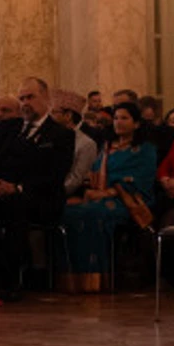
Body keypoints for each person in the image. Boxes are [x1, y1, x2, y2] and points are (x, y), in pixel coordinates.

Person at [0, 77, 77, 296]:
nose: (25, 103)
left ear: (46, 98)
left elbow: (54, 175)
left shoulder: (61, 135)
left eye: (30, 97)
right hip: (5, 193)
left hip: (41, 198)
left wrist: (17, 187)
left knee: (14, 208)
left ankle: (10, 281)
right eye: (21, 99)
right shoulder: (10, 129)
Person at [58, 102, 158, 290]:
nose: (118, 122)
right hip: (99, 196)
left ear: (136, 123)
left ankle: (97, 278)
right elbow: (94, 174)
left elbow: (141, 180)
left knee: (93, 213)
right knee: (68, 211)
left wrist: (109, 192)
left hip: (129, 201)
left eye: (124, 118)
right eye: (116, 118)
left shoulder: (145, 150)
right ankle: (73, 277)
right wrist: (93, 188)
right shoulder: (107, 148)